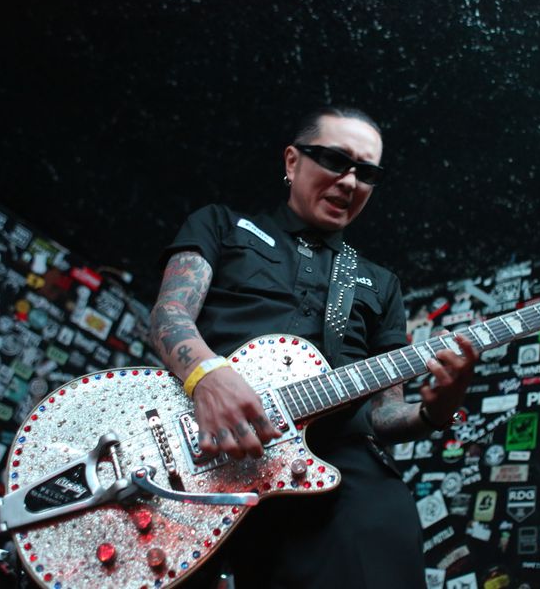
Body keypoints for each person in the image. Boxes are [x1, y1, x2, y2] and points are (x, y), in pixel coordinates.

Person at [149, 106, 477, 588]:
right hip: (198, 450)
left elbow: (385, 415)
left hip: (336, 470)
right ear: (292, 161)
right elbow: (169, 316)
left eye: (366, 173)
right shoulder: (222, 225)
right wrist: (207, 376)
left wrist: (437, 411)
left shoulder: (381, 283)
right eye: (335, 160)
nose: (350, 182)